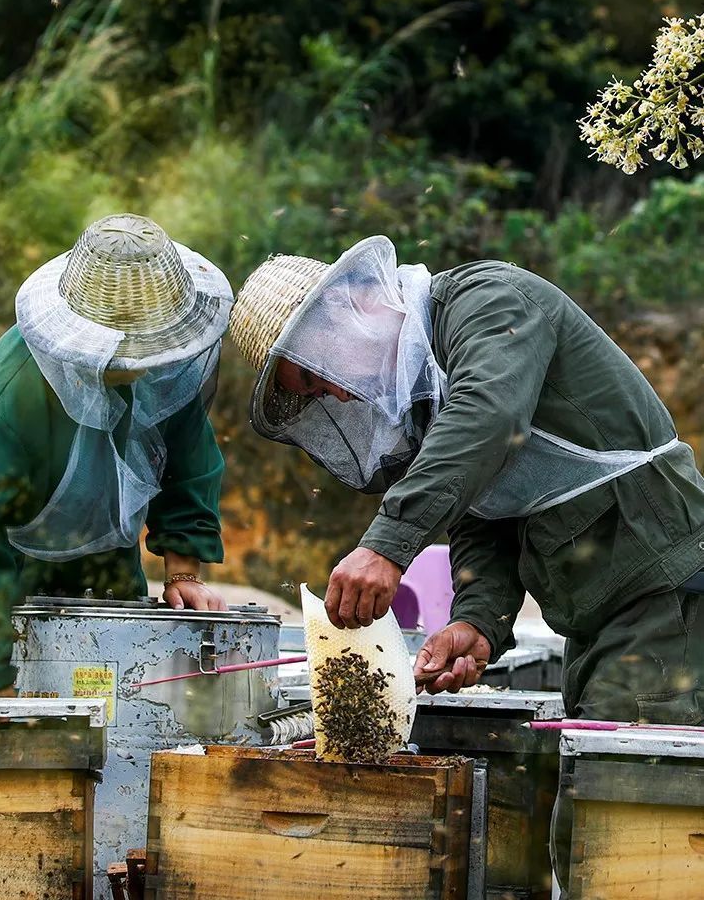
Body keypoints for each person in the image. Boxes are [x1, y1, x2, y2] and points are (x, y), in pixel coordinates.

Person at [229, 236, 704, 894]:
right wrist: (476, 622)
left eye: (312, 375)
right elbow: (483, 514)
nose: (332, 397)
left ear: (350, 307)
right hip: (602, 613)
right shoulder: (433, 396)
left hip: (663, 593)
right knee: (588, 837)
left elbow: (488, 415)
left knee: (632, 839)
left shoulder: (489, 301)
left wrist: (385, 545)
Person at [0, 214, 233, 698]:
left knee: (111, 735)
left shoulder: (168, 371)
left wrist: (183, 572)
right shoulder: (10, 393)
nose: (139, 366)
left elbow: (188, 462)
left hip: (105, 583)